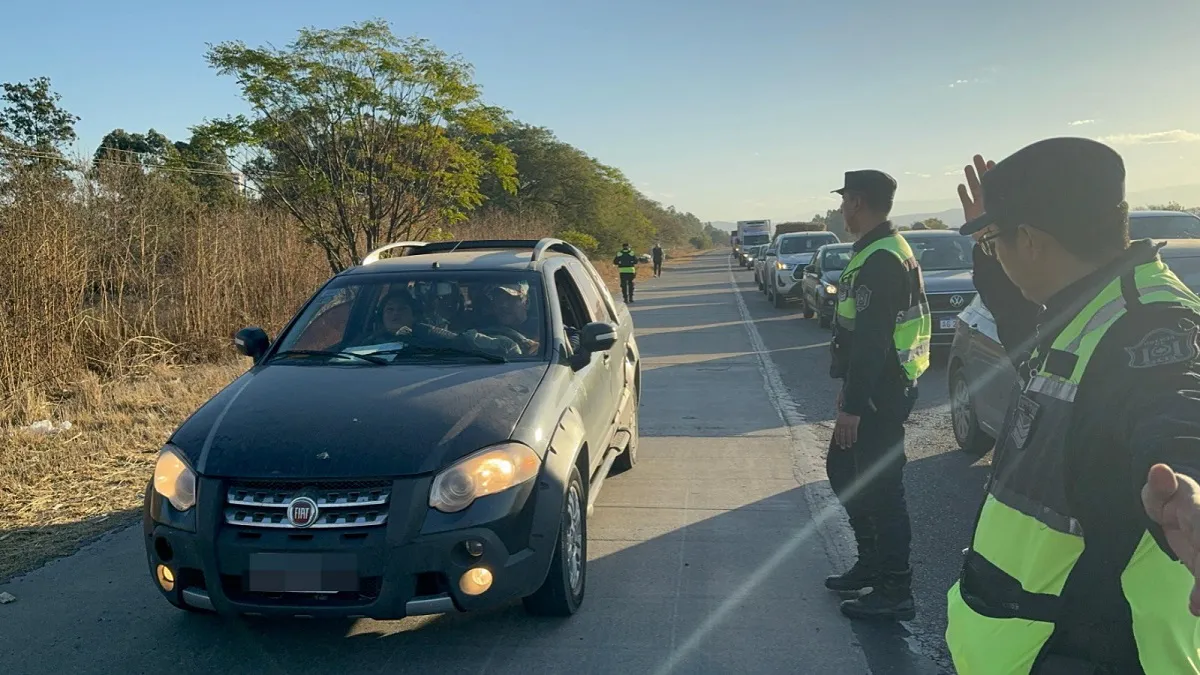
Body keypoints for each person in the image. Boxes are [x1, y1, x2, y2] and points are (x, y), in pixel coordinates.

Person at [946, 137, 1200, 674]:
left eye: (995, 243)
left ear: (1030, 240)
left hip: (1093, 652)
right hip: (1037, 641)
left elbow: (1178, 406)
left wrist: (1189, 490)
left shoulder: (1150, 321)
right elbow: (1023, 330)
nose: (995, 256)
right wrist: (990, 238)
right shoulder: (1089, 307)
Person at [824, 169, 932, 621]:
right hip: (876, 387)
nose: (841, 209)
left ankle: (895, 588)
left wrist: (854, 405)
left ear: (857, 202)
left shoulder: (881, 258)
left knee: (881, 489)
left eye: (844, 200)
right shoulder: (880, 248)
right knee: (844, 471)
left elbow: (872, 340)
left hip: (881, 392)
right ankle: (871, 563)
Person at [463, 281, 541, 357]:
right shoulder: (482, 327)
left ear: (526, 303)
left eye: (510, 298)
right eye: (498, 298)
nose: (503, 304)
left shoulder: (542, 330)